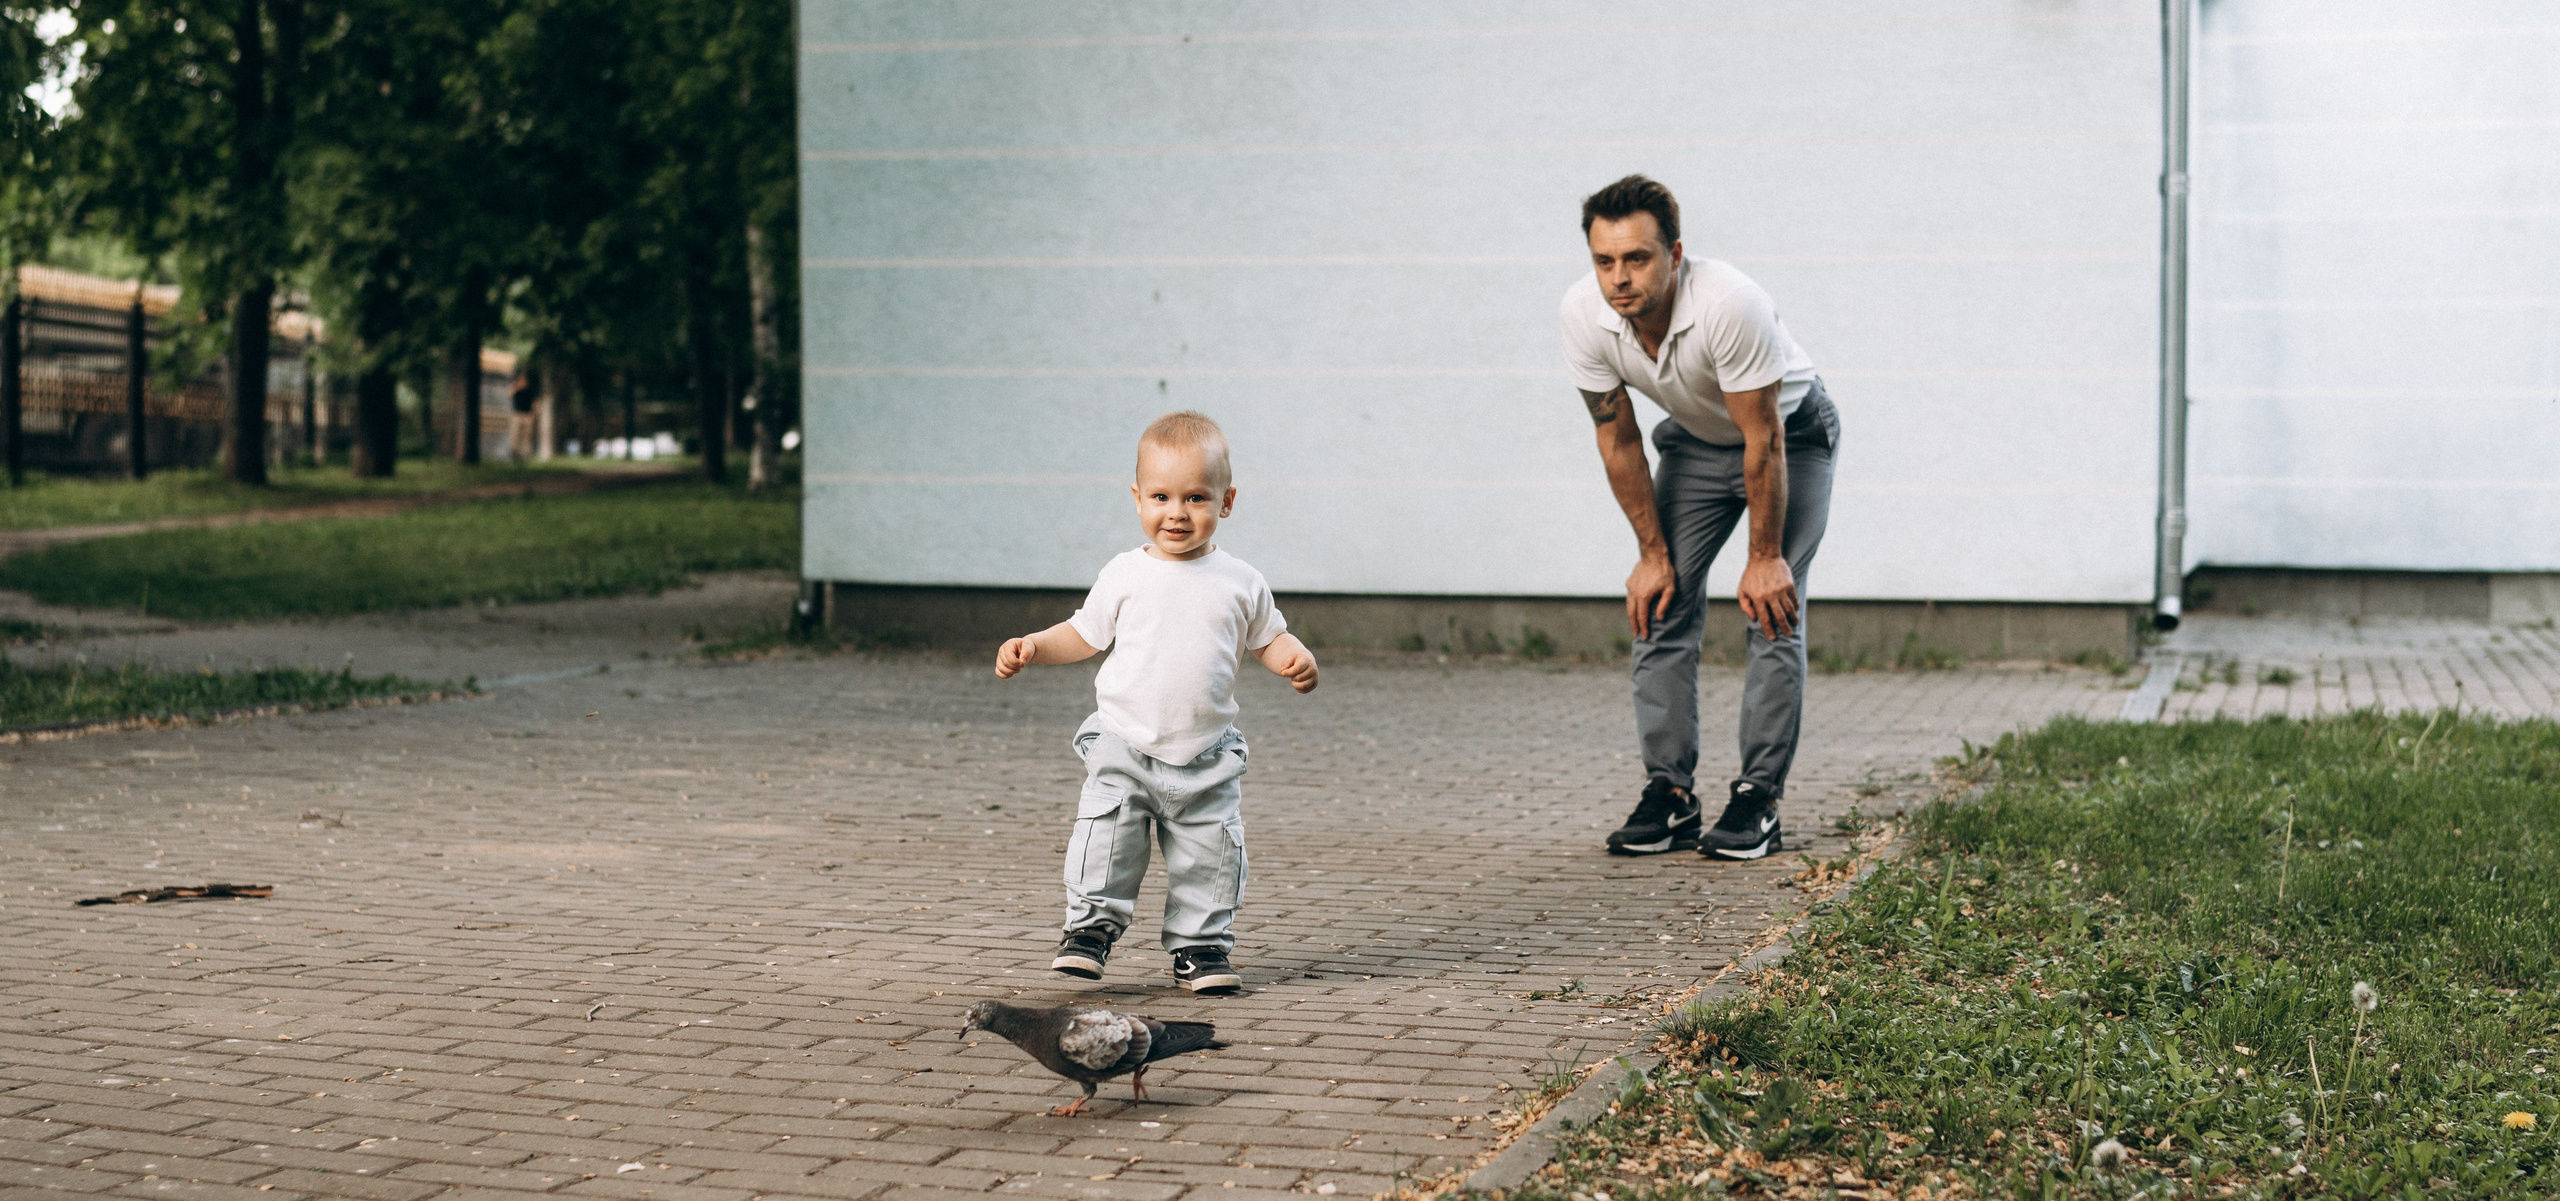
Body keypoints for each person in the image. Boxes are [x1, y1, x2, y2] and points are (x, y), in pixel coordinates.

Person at [1560, 174, 1841, 861]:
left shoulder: (1729, 304)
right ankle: (1671, 794)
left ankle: (1757, 798)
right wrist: (1651, 554)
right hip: (1695, 443)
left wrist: (1764, 557)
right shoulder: (1582, 314)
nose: (1619, 278)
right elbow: (1618, 439)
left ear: (1675, 254)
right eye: (1604, 260)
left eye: (1637, 258)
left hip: (1790, 439)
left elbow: (1764, 439)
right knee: (1660, 604)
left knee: (1772, 609)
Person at [994, 411, 1320, 993]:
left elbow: (1269, 637)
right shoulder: (1125, 574)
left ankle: (1201, 948)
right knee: (1106, 840)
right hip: (1125, 742)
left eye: (1196, 497)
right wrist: (1034, 646)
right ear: (1137, 498)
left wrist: (1293, 658)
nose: (1177, 512)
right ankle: (1089, 931)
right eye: (1161, 497)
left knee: (1210, 854)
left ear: (1226, 501)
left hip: (1206, 754)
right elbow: (1084, 634)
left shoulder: (1241, 581)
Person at [507, 372, 539, 461]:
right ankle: (515, 452)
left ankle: (527, 453)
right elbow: (509, 394)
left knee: (527, 436)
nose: (522, 382)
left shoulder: (530, 390)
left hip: (528, 415)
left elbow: (535, 401)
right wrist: (516, 387)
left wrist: (534, 413)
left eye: (524, 381)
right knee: (515, 434)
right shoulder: (515, 389)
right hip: (517, 415)